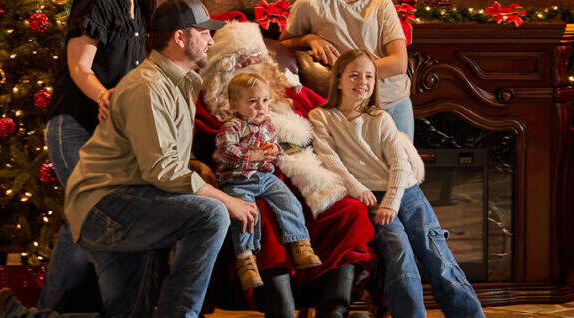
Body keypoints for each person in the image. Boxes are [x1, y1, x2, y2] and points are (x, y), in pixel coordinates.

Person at [0, 0, 255, 318]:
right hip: (108, 206)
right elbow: (162, 170)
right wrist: (227, 200)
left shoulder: (183, 83)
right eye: (203, 32)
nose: (210, 39)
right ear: (180, 38)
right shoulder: (148, 87)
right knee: (212, 214)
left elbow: (167, 159)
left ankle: (12, 315)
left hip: (130, 202)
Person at [196, 20, 376, 318]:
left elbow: (335, 116)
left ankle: (335, 312)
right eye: (242, 62)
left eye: (257, 59)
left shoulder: (289, 93)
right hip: (250, 181)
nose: (252, 68)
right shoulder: (212, 106)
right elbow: (200, 147)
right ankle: (282, 311)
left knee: (350, 210)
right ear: (223, 72)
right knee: (262, 220)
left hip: (309, 180)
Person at [309, 49, 485, 318]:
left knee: (435, 251)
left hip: (405, 190)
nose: (363, 82)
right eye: (354, 75)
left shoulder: (380, 118)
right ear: (340, 80)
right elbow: (330, 159)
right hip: (368, 196)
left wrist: (391, 202)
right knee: (399, 253)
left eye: (369, 76)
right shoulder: (322, 117)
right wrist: (359, 190)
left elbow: (400, 164)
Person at [40, 0, 160, 311]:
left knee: (83, 220)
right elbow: (80, 67)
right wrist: (105, 97)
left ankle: (57, 310)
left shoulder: (138, 9)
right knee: (88, 215)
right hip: (75, 125)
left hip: (109, 134)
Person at [281, 0, 414, 139]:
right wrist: (310, 39)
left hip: (392, 101)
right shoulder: (310, 3)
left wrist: (353, 74)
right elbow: (284, 45)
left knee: (403, 169)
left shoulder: (381, 4)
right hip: (347, 108)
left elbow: (398, 64)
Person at [214, 72, 322, 289]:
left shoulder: (268, 127)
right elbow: (224, 152)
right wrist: (250, 155)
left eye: (264, 101)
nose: (260, 107)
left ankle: (300, 243)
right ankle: (246, 259)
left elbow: (275, 154)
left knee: (289, 202)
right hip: (237, 180)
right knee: (247, 214)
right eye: (252, 102)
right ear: (235, 105)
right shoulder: (232, 126)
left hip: (264, 177)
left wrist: (273, 153)